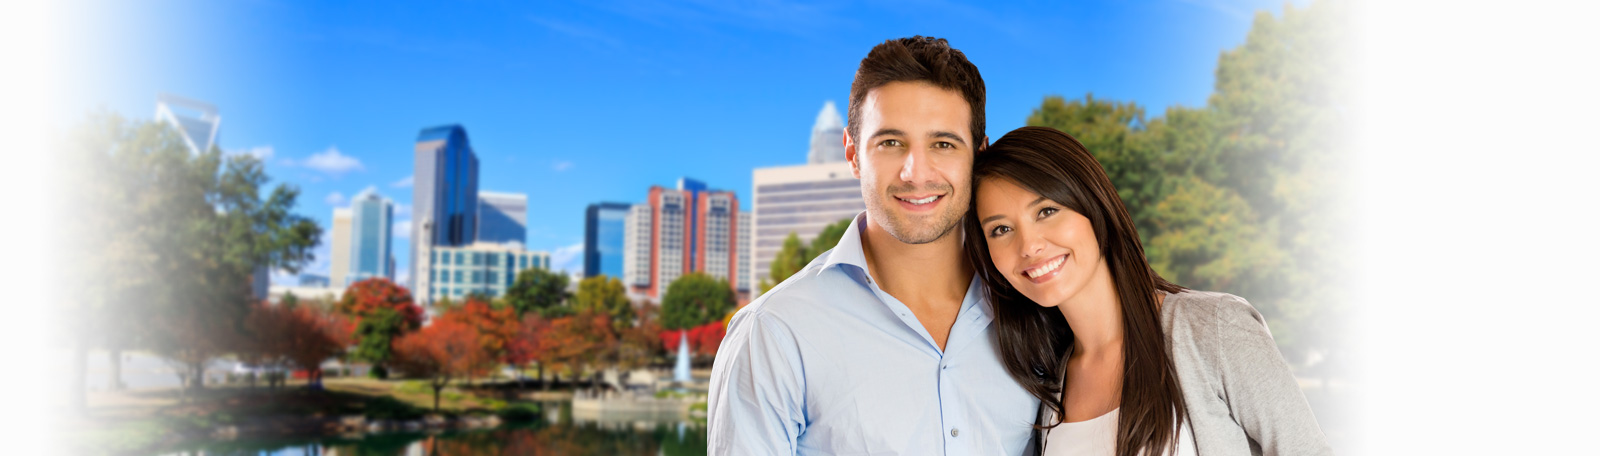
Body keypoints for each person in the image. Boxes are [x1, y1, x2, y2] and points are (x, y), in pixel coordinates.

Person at [707, 36, 1039, 455]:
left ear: (979, 153)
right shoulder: (775, 332)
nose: (916, 173)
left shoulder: (1033, 306)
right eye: (890, 143)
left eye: (943, 144)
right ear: (851, 153)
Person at [965, 126, 1333, 456]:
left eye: (1046, 211)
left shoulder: (1213, 330)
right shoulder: (1049, 388)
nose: (1028, 246)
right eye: (1000, 229)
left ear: (1094, 207)